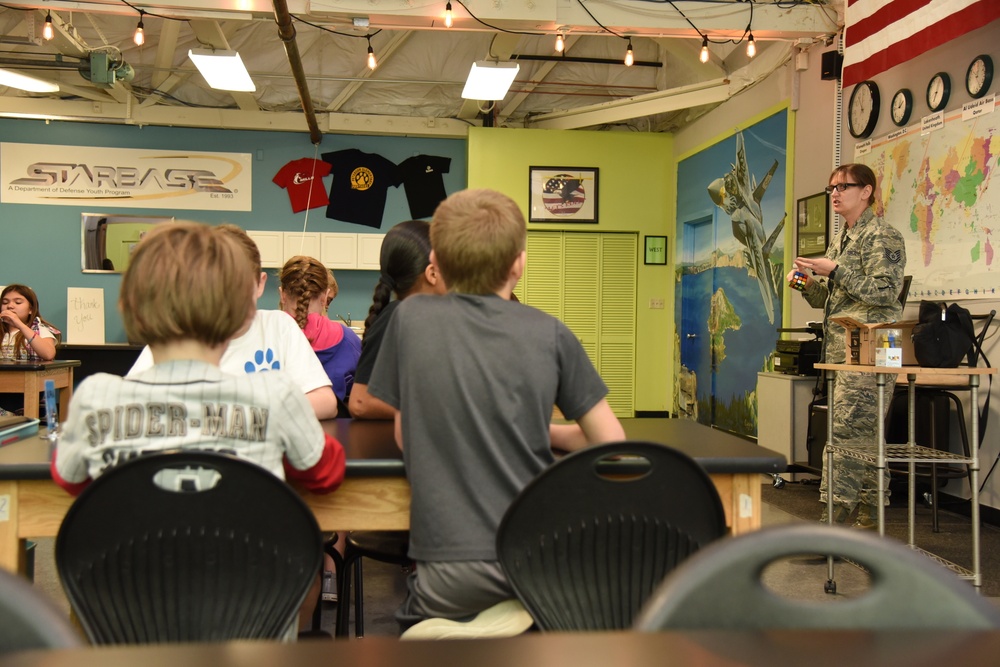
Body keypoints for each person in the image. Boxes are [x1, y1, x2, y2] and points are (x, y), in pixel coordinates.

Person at [52, 222, 346, 633]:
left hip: (132, 623)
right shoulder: (275, 397)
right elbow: (326, 472)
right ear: (234, 310)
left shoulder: (92, 399)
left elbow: (70, 480)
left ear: (129, 307)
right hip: (251, 625)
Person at [367, 188, 625, 632]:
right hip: (536, 566)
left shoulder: (409, 320)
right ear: (518, 265)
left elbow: (405, 436)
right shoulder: (551, 332)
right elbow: (610, 442)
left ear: (437, 263)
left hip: (448, 575)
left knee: (418, 627)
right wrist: (540, 431)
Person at [787, 163, 906, 528]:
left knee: (846, 431)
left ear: (866, 191)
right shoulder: (843, 238)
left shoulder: (882, 235)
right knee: (864, 433)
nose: (835, 194)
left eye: (843, 187)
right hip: (847, 348)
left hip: (877, 343)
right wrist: (805, 283)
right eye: (832, 188)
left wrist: (836, 270)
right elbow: (831, 300)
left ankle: (833, 520)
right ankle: (871, 513)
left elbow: (886, 293)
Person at [129, 224, 340, 420]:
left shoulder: (280, 327)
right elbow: (132, 406)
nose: (229, 297)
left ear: (259, 284)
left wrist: (247, 412)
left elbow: (326, 403)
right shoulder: (175, 336)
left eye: (239, 284)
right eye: (217, 284)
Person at [349, 220, 445, 420]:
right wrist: (433, 409)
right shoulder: (397, 316)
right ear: (432, 273)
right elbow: (360, 402)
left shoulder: (428, 320)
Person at [278, 255, 362, 411]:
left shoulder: (266, 336)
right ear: (324, 297)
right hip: (332, 424)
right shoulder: (348, 341)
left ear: (282, 294)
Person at [1, 284, 59, 361]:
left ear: (30, 309)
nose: (10, 306)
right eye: (5, 302)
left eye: (18, 302)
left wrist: (20, 325)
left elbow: (49, 355)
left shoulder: (39, 329)